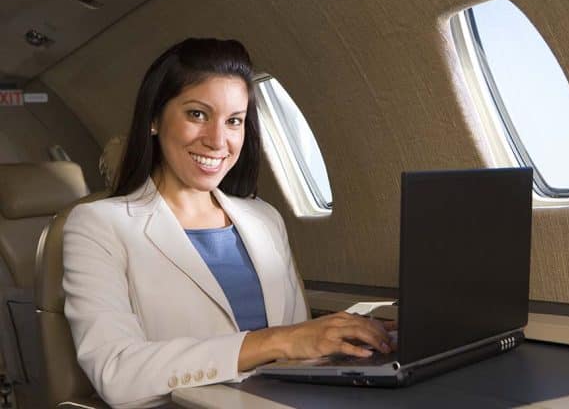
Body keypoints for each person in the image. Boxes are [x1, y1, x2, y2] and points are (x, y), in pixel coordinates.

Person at [63, 38, 395, 408]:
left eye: (234, 121)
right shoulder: (96, 225)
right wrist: (275, 340)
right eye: (197, 114)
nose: (217, 141)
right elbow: (118, 374)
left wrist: (350, 341)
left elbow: (302, 353)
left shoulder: (264, 219)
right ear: (154, 119)